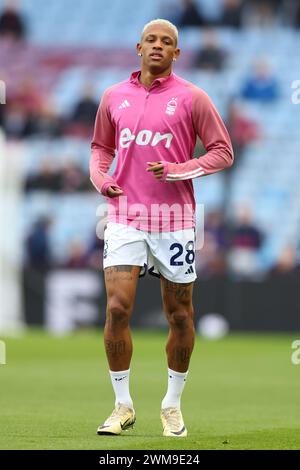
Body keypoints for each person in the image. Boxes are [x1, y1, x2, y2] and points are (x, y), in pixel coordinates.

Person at [90, 19, 233, 437]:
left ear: (177, 53)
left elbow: (223, 152)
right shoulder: (113, 96)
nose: (158, 46)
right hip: (123, 216)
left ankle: (172, 405)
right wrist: (102, 179)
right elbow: (101, 147)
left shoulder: (193, 98)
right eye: (151, 40)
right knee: (117, 308)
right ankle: (122, 405)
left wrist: (178, 170)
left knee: (181, 315)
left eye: (167, 42)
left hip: (175, 221)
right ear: (138, 47)